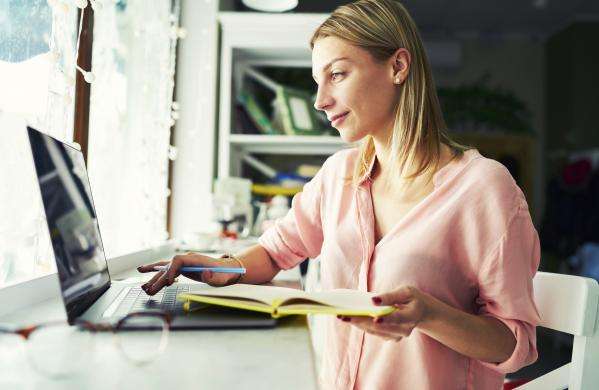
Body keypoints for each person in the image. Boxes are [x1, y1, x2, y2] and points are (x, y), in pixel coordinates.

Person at [138, 0, 541, 388]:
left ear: (398, 66)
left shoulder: (485, 189)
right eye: (318, 82)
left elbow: (514, 345)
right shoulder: (339, 175)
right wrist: (219, 268)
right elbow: (277, 251)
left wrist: (428, 314)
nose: (320, 101)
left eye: (338, 75)